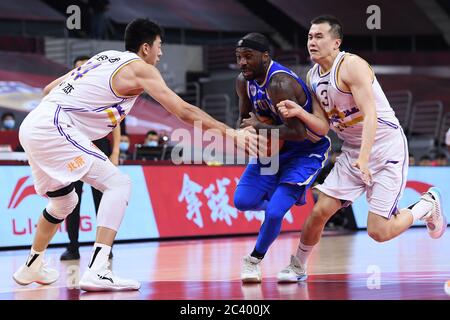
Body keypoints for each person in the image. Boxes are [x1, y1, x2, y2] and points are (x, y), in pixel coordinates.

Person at [13, 18, 258, 292]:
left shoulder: (103, 57)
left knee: (64, 202)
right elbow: (183, 111)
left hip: (34, 126)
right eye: (159, 46)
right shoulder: (141, 69)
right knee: (119, 184)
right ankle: (99, 269)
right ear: (145, 48)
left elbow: (48, 90)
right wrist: (231, 133)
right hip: (55, 127)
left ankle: (33, 263)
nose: (161, 53)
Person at [276, 15, 446, 282]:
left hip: (386, 147)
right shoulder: (311, 77)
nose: (312, 42)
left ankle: (425, 205)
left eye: (319, 37)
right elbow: (322, 127)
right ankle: (297, 266)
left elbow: (371, 116)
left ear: (336, 43)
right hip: (353, 149)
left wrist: (365, 159)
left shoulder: (352, 66)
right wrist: (300, 112)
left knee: (378, 232)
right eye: (310, 37)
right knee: (321, 209)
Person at [234, 33, 331, 282]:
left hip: (305, 151)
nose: (242, 62)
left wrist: (259, 128)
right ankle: (280, 203)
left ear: (265, 57)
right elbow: (244, 119)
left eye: (248, 57)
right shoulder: (243, 82)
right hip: (274, 149)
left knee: (275, 213)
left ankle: (253, 260)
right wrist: (245, 136)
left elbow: (298, 132)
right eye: (239, 57)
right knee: (242, 200)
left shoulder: (279, 83)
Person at [60, 55, 121, 261]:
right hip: (73, 150)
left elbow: (116, 123)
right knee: (72, 200)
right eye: (79, 67)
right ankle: (73, 247)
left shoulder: (103, 92)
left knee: (102, 201)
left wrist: (115, 152)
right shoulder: (67, 94)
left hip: (99, 147)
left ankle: (104, 248)